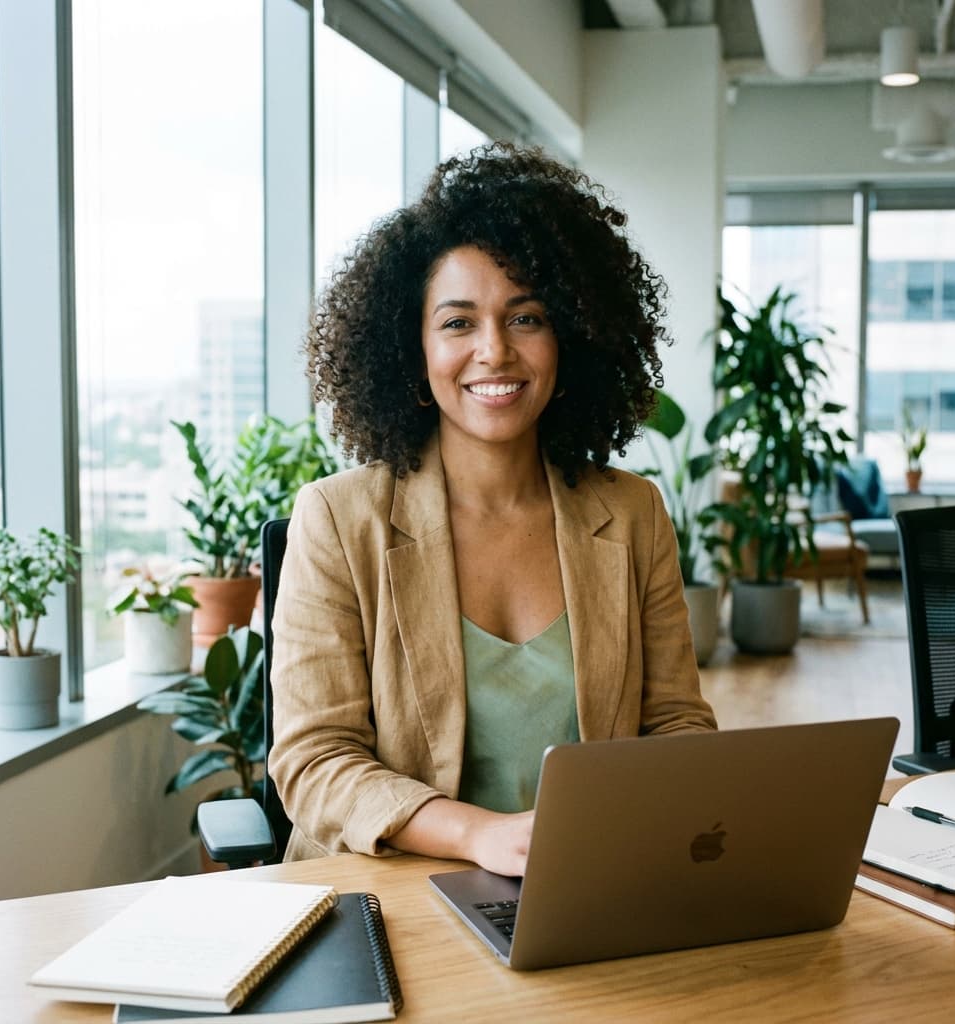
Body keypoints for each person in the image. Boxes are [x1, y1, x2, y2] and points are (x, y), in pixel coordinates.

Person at [269, 143, 717, 877]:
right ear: (412, 349)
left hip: (587, 879)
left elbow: (676, 723)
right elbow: (315, 760)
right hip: (392, 890)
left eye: (526, 317)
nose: (495, 351)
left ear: (570, 338)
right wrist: (478, 835)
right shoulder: (339, 519)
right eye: (457, 323)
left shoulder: (631, 512)